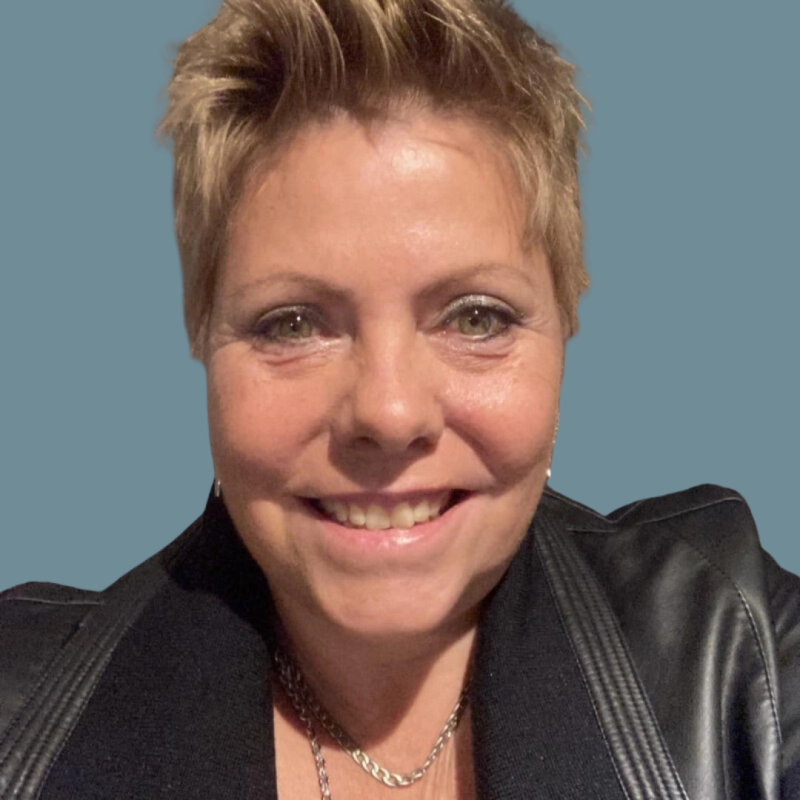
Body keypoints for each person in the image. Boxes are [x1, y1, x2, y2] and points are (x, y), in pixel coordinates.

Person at [1, 0, 798, 798]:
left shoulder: (739, 652)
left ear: (567, 317)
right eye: (293, 323)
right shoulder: (17, 710)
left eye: (476, 318)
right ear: (199, 328)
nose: (389, 414)